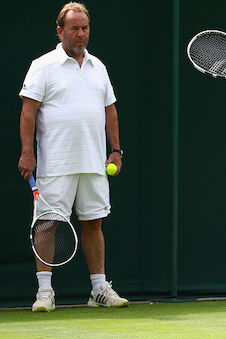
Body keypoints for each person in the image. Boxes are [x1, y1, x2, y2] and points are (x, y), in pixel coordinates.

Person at [17, 2, 128, 312]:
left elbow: (110, 111)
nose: (81, 34)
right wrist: (28, 152)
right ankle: (44, 292)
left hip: (94, 163)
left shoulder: (99, 66)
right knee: (47, 225)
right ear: (60, 31)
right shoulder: (42, 65)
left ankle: (98, 290)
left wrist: (116, 151)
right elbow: (29, 112)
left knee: (94, 224)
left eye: (85, 28)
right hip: (56, 163)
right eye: (74, 28)